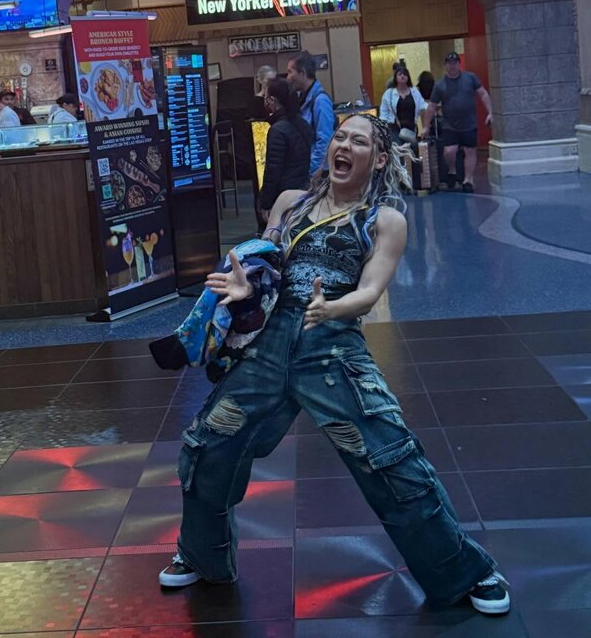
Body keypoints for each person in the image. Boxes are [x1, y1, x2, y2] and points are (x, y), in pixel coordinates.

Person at [158, 113, 510, 617]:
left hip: (332, 350)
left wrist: (332, 308)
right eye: (340, 137)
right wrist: (245, 287)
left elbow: (370, 290)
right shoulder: (291, 202)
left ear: (379, 159)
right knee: (208, 447)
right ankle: (201, 555)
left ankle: (465, 572)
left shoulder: (385, 220)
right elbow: (264, 263)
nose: (343, 145)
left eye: (358, 141)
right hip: (266, 348)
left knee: (391, 459)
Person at [421, 53, 492, 193]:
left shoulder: (470, 78)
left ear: (459, 64)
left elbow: (483, 94)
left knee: (470, 151)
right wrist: (425, 126)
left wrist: (490, 112)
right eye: (449, 63)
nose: (452, 66)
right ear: (445, 65)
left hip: (469, 123)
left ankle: (467, 180)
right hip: (450, 124)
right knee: (449, 151)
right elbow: (431, 106)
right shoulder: (440, 85)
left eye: (455, 63)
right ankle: (452, 170)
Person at [258, 77, 312, 219]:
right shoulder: (303, 123)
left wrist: (266, 203)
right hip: (303, 190)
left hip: (283, 196)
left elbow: (273, 171)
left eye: (266, 97)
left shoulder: (277, 130)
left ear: (272, 100)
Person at [286, 50, 335, 176]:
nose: (288, 78)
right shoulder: (301, 98)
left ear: (302, 73)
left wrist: (310, 172)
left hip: (317, 174)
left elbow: (325, 141)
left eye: (290, 72)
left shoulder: (320, 101)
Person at [379, 64, 427, 142]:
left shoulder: (415, 92)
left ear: (408, 77)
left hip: (411, 128)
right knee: (398, 148)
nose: (402, 76)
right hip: (394, 128)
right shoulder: (389, 93)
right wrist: (383, 130)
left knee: (412, 148)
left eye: (405, 74)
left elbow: (423, 106)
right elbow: (383, 114)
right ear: (395, 77)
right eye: (400, 74)